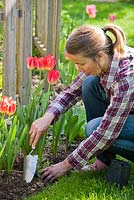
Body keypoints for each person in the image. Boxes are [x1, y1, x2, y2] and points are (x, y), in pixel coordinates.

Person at [29, 24, 134, 183]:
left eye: (81, 63)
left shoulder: (125, 78)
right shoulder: (106, 57)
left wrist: (65, 165)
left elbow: (105, 134)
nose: (79, 69)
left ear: (99, 56)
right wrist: (47, 117)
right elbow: (71, 92)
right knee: (89, 84)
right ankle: (104, 161)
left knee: (93, 129)